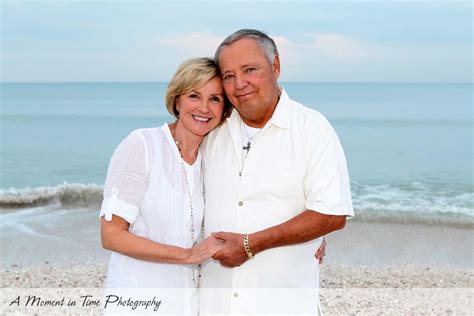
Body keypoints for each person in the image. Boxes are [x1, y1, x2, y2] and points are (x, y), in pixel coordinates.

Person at [199, 29, 354, 314]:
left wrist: (249, 245)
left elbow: (332, 213)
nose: (240, 84)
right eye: (229, 75)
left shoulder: (312, 128)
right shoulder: (211, 129)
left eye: (250, 70)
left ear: (276, 66)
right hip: (214, 304)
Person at [99, 57, 233, 314]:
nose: (204, 108)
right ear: (177, 100)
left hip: (188, 305)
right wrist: (188, 254)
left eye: (215, 99)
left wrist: (310, 237)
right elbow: (111, 235)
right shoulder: (142, 146)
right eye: (194, 95)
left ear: (224, 109)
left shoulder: (214, 156)